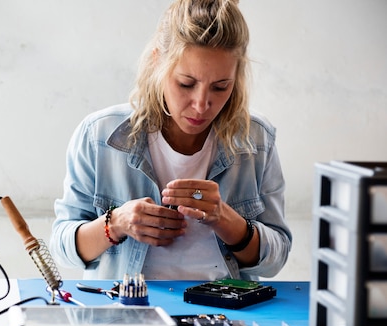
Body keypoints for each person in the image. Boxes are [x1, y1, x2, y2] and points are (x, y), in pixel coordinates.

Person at [49, 0, 291, 282]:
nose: (201, 104)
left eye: (220, 87)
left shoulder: (256, 140)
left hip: (225, 314)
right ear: (157, 62)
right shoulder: (99, 136)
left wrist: (226, 220)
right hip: (129, 312)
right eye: (186, 84)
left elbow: (276, 259)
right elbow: (62, 247)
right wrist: (117, 223)